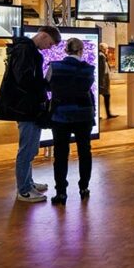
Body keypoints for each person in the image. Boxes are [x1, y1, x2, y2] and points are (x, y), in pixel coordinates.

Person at [0, 25, 62, 202]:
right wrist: (43, 84)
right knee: (27, 150)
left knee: (30, 148)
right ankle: (23, 190)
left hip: (28, 107)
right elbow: (24, 80)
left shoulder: (27, 50)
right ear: (44, 36)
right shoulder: (25, 51)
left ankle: (28, 182)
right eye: (51, 43)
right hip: (26, 108)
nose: (50, 48)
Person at [45, 38, 95, 206]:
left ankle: (61, 192)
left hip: (61, 115)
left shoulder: (55, 66)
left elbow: (47, 86)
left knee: (60, 154)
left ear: (65, 51)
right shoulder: (89, 69)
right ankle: (84, 188)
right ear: (81, 51)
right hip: (84, 115)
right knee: (85, 152)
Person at [98, 43, 118, 119]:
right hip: (103, 81)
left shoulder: (102, 55)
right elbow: (102, 70)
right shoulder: (101, 56)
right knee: (107, 96)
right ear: (103, 49)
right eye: (107, 49)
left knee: (106, 96)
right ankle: (108, 114)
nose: (108, 50)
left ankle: (106, 114)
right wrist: (102, 82)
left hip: (104, 80)